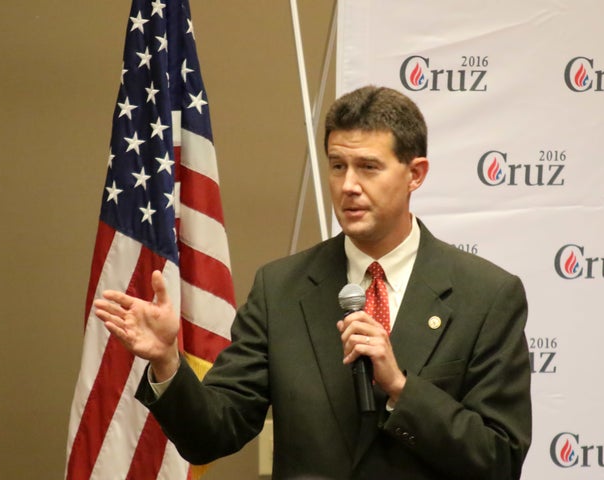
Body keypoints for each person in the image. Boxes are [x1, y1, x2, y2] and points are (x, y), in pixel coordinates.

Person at [94, 85, 532, 479]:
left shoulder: (487, 296)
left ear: (415, 174)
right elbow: (213, 434)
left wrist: (401, 387)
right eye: (338, 165)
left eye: (368, 167)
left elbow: (499, 458)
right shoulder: (280, 289)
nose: (348, 186)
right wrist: (168, 362)